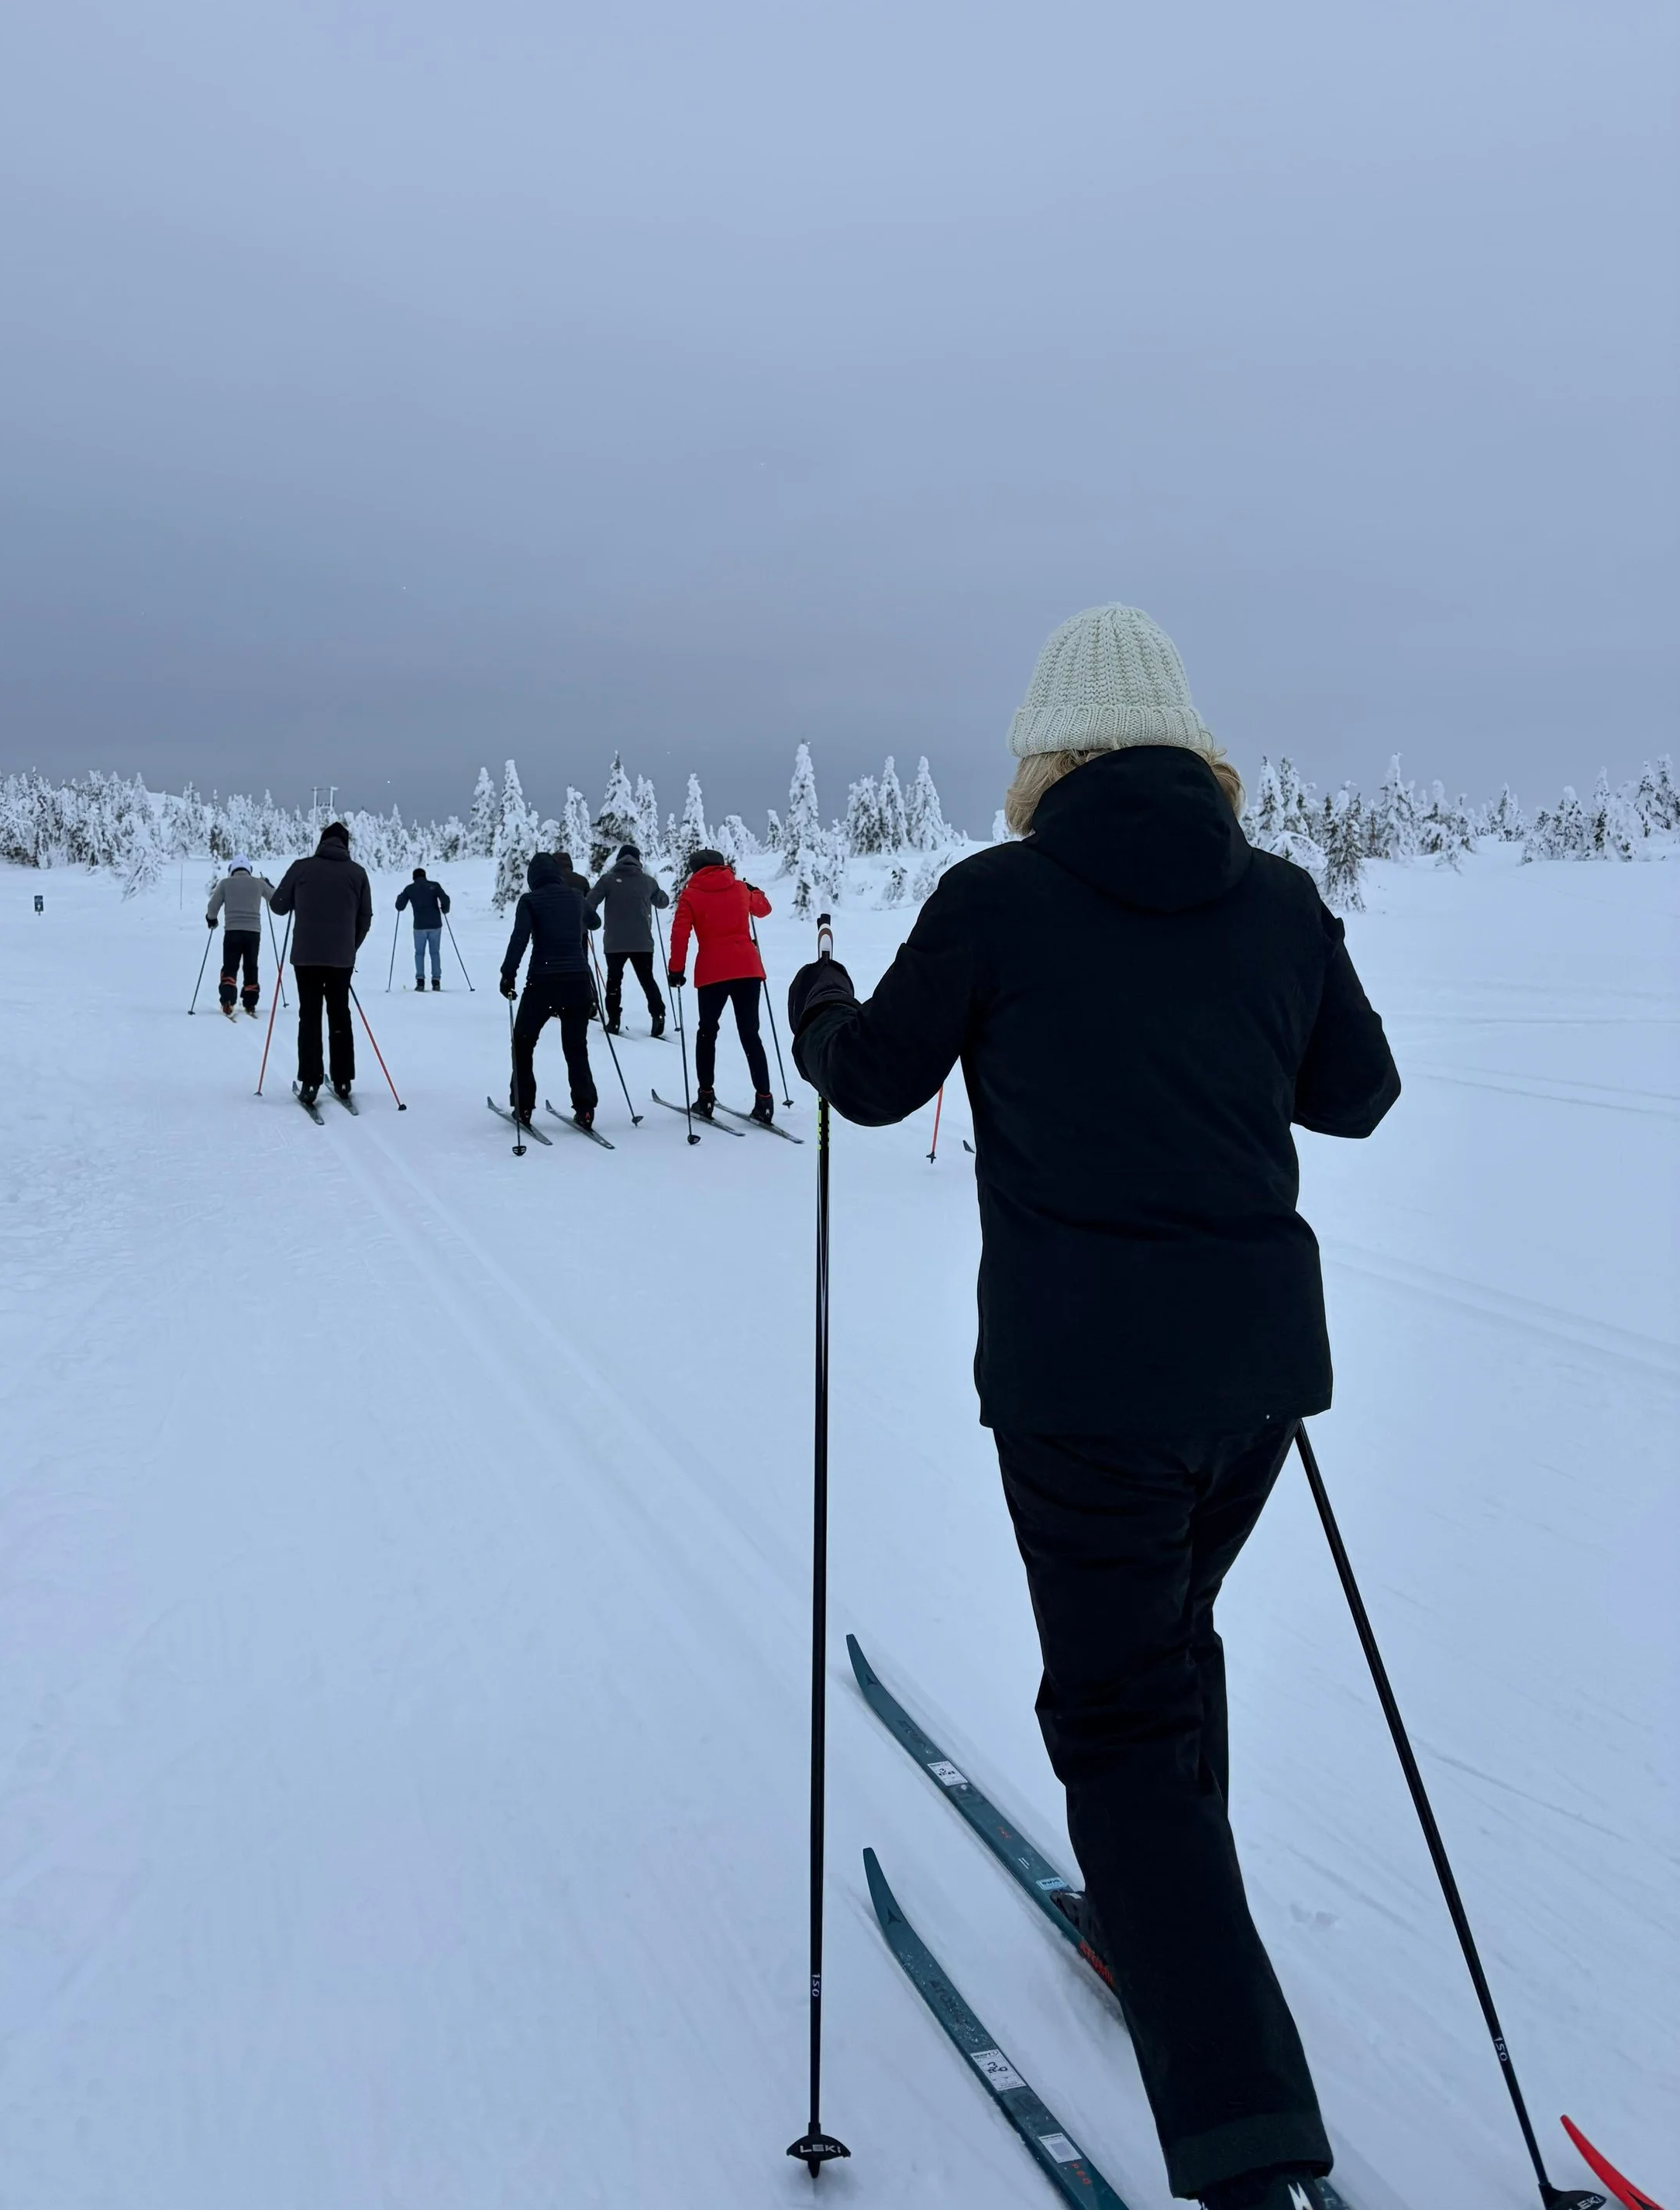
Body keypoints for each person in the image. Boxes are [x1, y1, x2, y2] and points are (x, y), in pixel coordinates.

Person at [785, 604, 1400, 2210]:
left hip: (1078, 1390)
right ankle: (1148, 1914)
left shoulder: (999, 895)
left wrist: (814, 1008)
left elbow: (869, 1080)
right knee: (1166, 1641)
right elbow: (1355, 1093)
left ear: (1043, 757)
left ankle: (1242, 2137)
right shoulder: (1273, 896)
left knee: (1117, 1716)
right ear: (1193, 752)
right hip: (1255, 1384)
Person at [667, 848, 774, 1124]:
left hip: (713, 972)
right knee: (751, 1034)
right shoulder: (740, 889)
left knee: (707, 1033)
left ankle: (705, 1098)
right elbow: (764, 909)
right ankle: (764, 1100)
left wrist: (676, 970)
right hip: (747, 970)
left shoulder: (691, 895)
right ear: (722, 865)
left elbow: (680, 933)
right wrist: (756, 890)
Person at [270, 821, 373, 1107]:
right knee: (340, 1014)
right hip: (341, 959)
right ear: (346, 845)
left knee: (310, 1015)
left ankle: (310, 1082)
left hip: (306, 956)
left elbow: (278, 906)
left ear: (322, 842)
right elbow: (366, 917)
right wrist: (351, 946)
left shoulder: (301, 868)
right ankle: (342, 1080)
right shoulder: (357, 873)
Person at [499, 850, 601, 1130]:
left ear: (533, 879)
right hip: (578, 982)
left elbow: (519, 939)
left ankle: (523, 1107)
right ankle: (586, 1108)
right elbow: (595, 923)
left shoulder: (530, 901)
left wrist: (508, 976)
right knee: (576, 1047)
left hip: (543, 982)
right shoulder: (575, 897)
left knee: (523, 1042)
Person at [584, 845, 670, 1037]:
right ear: (638, 861)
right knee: (647, 980)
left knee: (614, 981)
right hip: (642, 942)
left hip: (615, 942)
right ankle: (658, 1014)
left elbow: (589, 902)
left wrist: (590, 921)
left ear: (619, 860)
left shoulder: (608, 880)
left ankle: (614, 1020)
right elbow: (663, 903)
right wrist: (654, 888)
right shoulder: (648, 881)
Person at [204, 856, 274, 1017]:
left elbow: (213, 906)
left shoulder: (225, 884)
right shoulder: (259, 883)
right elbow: (275, 899)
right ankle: (250, 1002)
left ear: (232, 870)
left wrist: (212, 919)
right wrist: (268, 884)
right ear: (249, 870)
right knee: (251, 966)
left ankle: (228, 1000)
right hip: (253, 933)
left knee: (230, 966)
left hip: (232, 932)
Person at [394, 866, 452, 990]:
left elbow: (400, 906)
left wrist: (400, 898)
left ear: (414, 878)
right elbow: (446, 899)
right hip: (436, 924)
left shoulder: (410, 889)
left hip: (419, 926)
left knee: (419, 953)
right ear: (425, 876)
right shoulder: (435, 886)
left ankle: (420, 981)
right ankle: (436, 981)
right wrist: (445, 909)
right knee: (435, 953)